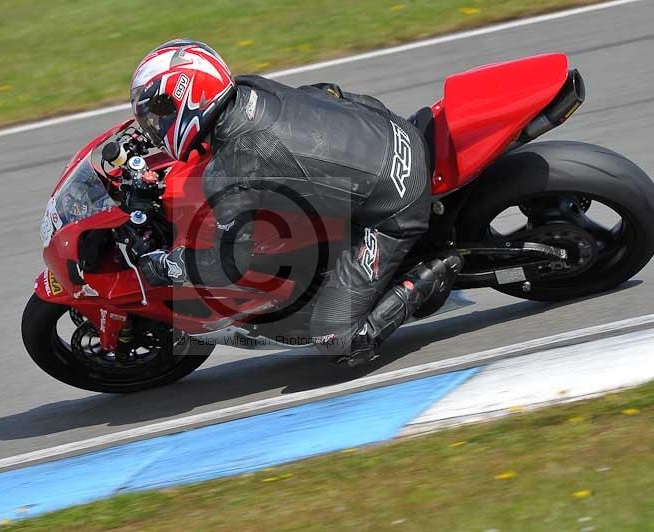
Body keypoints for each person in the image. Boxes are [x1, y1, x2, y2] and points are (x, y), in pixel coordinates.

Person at [131, 39, 462, 365]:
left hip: (397, 202)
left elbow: (231, 262)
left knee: (336, 339)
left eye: (161, 112)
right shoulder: (248, 89)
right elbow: (325, 92)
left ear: (192, 97)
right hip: (391, 128)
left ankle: (434, 272)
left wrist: (168, 264)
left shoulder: (236, 163)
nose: (156, 124)